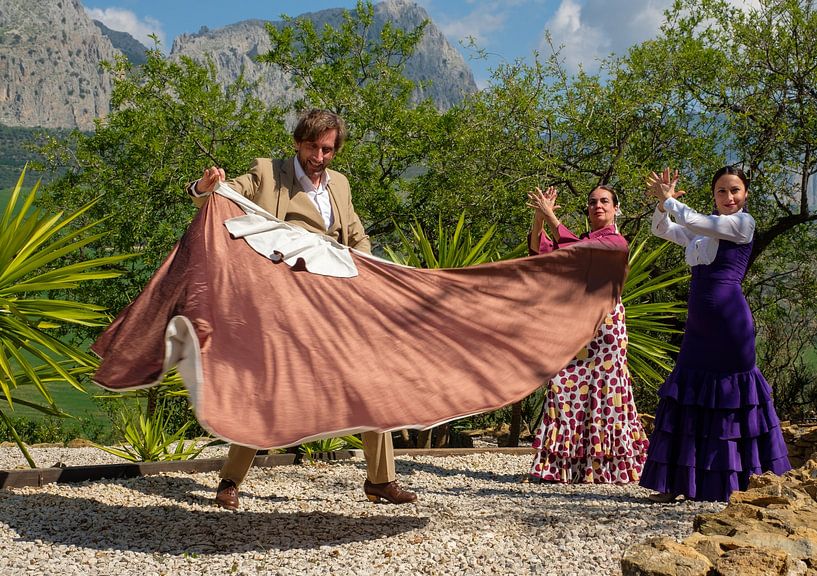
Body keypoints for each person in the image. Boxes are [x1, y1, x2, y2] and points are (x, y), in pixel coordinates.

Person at [187, 108, 417, 509]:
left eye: (328, 149)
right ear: (298, 143)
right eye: (313, 147)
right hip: (283, 301)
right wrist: (202, 187)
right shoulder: (268, 172)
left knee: (369, 380)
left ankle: (381, 480)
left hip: (335, 302)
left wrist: (365, 271)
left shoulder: (339, 185)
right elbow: (222, 192)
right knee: (266, 385)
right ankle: (230, 481)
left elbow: (358, 235)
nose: (320, 156)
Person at [639, 166, 791, 502]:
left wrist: (672, 202)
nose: (729, 197)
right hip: (698, 328)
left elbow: (695, 222)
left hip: (730, 326)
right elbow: (661, 228)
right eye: (722, 191)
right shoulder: (703, 231)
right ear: (713, 195)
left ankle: (744, 484)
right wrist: (664, 203)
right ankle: (676, 483)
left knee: (732, 397)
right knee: (689, 395)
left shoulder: (741, 224)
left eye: (735, 190)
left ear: (745, 194)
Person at [525, 184, 648, 483]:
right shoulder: (581, 241)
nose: (598, 206)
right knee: (565, 389)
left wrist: (552, 218)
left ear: (616, 208)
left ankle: (610, 467)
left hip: (605, 332)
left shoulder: (617, 243)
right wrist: (541, 217)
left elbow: (578, 252)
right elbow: (541, 253)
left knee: (607, 396)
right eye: (592, 202)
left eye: (604, 201)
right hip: (577, 329)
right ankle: (562, 467)